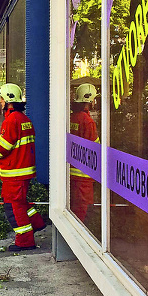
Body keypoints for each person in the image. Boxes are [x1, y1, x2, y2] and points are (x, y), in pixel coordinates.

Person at [0, 83, 46, 250]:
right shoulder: (24, 119)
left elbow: (4, 148)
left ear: (9, 101)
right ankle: (36, 223)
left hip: (14, 172)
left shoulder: (12, 120)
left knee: (13, 207)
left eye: (1, 99)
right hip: (23, 171)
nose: (0, 103)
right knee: (20, 203)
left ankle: (25, 241)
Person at [69, 83, 98, 222]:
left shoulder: (71, 118)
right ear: (90, 101)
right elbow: (94, 149)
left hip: (71, 171)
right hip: (84, 174)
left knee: (73, 206)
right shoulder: (88, 121)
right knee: (83, 209)